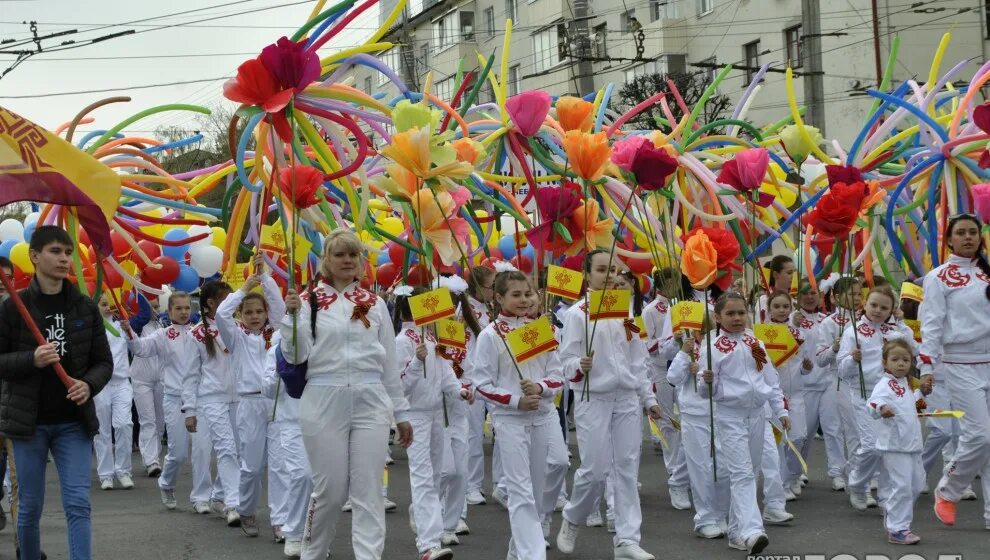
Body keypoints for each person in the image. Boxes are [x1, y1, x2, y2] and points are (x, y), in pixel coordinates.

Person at [280, 228, 412, 560]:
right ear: (326, 259)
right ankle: (313, 551)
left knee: (369, 491)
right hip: (323, 396)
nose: (347, 260)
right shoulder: (308, 301)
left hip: (371, 398)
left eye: (353, 254)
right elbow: (295, 356)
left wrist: (402, 413)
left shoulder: (376, 303)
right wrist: (293, 317)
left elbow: (389, 363)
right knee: (331, 491)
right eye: (339, 254)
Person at [0, 225, 113, 560]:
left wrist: (88, 384)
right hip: (28, 422)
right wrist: (31, 359)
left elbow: (103, 362)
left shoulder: (84, 306)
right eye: (55, 251)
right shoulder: (12, 308)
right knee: (30, 506)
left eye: (68, 253)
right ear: (34, 256)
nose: (64, 259)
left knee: (78, 503)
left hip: (73, 422)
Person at [556, 250, 661, 560]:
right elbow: (565, 362)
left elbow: (638, 358)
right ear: (588, 275)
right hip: (594, 397)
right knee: (595, 469)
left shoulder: (628, 312)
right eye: (603, 270)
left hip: (626, 398)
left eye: (614, 270)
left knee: (627, 469)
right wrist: (579, 364)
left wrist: (649, 399)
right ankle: (573, 517)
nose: (611, 275)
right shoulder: (577, 314)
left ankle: (627, 540)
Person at [473, 269, 565, 560]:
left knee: (552, 472)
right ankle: (532, 554)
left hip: (544, 415)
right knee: (521, 490)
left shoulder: (539, 329)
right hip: (510, 420)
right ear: (499, 298)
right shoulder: (490, 335)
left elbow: (557, 374)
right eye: (516, 295)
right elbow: (481, 385)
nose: (524, 300)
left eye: (528, 293)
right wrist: (515, 401)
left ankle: (520, 548)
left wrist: (539, 387)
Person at [700, 292, 789, 555]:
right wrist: (705, 381)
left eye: (741, 313)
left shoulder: (755, 343)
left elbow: (770, 380)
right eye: (730, 314)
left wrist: (780, 411)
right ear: (718, 317)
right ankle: (752, 531)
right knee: (740, 473)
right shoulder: (712, 348)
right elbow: (705, 393)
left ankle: (737, 533)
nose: (737, 318)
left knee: (751, 472)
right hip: (730, 415)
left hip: (757, 414)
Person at [920, 214, 990, 527]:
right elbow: (931, 325)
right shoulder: (938, 277)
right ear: (949, 239)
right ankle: (949, 490)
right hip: (960, 364)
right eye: (960, 233)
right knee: (981, 435)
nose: (967, 237)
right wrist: (926, 367)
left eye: (972, 232)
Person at [394, 287, 470, 560]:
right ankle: (428, 543)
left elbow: (446, 374)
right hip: (414, 416)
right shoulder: (403, 341)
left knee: (440, 474)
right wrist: (416, 360)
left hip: (437, 414)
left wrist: (459, 391)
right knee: (423, 477)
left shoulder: (432, 338)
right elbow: (398, 385)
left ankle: (424, 519)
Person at [122, 291, 215, 513]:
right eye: (178, 308)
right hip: (174, 399)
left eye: (186, 308)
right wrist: (129, 333)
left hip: (200, 399)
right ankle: (166, 483)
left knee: (202, 449)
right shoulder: (163, 335)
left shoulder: (199, 333)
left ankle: (201, 498)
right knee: (178, 452)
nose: (184, 312)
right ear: (169, 311)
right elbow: (141, 349)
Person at [215, 255, 286, 536]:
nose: (255, 316)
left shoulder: (277, 333)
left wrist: (265, 277)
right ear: (241, 316)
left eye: (259, 311)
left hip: (277, 403)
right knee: (253, 466)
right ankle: (246, 510)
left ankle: (281, 521)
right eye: (249, 312)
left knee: (280, 466)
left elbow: (281, 308)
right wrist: (244, 288)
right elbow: (221, 314)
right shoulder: (236, 337)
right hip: (249, 403)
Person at [838, 285, 914, 511]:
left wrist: (902, 325)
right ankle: (858, 484)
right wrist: (853, 359)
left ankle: (886, 492)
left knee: (889, 447)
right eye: (874, 305)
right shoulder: (852, 331)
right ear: (864, 304)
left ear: (892, 309)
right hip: (864, 395)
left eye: (884, 307)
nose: (878, 311)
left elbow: (914, 352)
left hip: (892, 395)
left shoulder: (896, 333)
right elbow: (841, 371)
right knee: (870, 446)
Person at [666, 320, 730, 539]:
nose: (703, 334)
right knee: (701, 467)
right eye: (699, 330)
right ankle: (704, 518)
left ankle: (721, 513)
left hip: (721, 412)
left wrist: (702, 372)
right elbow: (673, 379)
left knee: (722, 466)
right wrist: (684, 357)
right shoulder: (687, 348)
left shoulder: (722, 346)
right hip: (694, 414)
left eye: (708, 330)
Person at [185, 281, 242, 527]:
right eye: (226, 299)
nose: (233, 304)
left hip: (240, 398)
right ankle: (233, 504)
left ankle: (219, 495)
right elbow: (190, 375)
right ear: (210, 303)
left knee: (240, 452)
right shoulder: (195, 334)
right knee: (226, 449)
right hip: (212, 399)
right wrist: (189, 409)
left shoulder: (238, 327)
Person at [869, 339, 927, 544]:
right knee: (902, 486)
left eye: (905, 359)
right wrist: (881, 408)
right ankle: (897, 529)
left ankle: (893, 514)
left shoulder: (906, 383)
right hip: (894, 445)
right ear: (885, 362)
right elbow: (874, 401)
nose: (901, 363)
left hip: (912, 444)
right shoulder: (884, 384)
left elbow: (910, 405)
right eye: (895, 359)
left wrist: (922, 393)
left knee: (917, 485)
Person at [643, 268, 691, 512]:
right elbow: (646, 343)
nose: (677, 285)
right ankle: (673, 468)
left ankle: (685, 467)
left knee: (686, 418)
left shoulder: (683, 306)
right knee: (667, 421)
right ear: (663, 284)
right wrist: (672, 340)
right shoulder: (650, 310)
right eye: (674, 282)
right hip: (660, 370)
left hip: (681, 367)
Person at [262, 332, 313, 558]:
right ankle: (293, 533)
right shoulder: (276, 351)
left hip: (322, 421)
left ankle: (313, 536)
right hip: (291, 423)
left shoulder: (319, 348)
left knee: (322, 483)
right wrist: (279, 374)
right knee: (301, 475)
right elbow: (268, 391)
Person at [813, 276, 863, 491]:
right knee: (834, 428)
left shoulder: (864, 320)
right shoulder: (828, 323)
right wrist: (835, 348)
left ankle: (857, 471)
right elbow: (820, 358)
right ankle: (836, 471)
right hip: (835, 379)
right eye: (852, 294)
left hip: (859, 379)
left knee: (857, 428)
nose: (857, 298)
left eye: (860, 294)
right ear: (836, 297)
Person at [461, 266, 495, 507]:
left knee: (502, 430)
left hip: (493, 378)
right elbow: (461, 348)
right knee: (473, 433)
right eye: (491, 286)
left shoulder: (491, 308)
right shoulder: (464, 311)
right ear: (478, 287)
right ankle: (472, 485)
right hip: (472, 377)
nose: (494, 290)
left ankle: (501, 484)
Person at [94, 294, 134, 490]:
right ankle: (106, 474)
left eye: (111, 304)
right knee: (102, 430)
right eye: (103, 304)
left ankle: (124, 470)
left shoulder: (122, 326)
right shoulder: (91, 328)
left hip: (121, 384)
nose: (108, 307)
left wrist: (129, 329)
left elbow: (136, 344)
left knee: (124, 424)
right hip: (100, 385)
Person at [127, 294, 165, 477]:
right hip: (141, 379)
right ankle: (151, 461)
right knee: (147, 420)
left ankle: (154, 456)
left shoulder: (163, 324)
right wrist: (138, 287)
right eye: (150, 307)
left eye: (156, 306)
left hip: (161, 379)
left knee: (159, 422)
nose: (154, 310)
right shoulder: (137, 325)